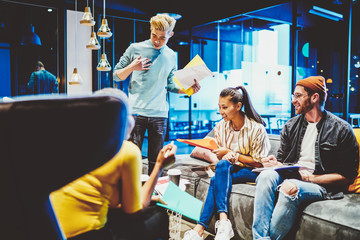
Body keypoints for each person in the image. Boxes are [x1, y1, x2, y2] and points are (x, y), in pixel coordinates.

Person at [50, 88, 176, 240]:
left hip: (50, 229)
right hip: (87, 234)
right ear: (125, 120)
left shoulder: (70, 144)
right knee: (158, 215)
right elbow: (134, 212)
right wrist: (159, 165)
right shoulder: (125, 150)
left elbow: (96, 192)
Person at [252, 76, 359, 240]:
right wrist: (276, 164)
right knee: (266, 175)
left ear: (314, 97)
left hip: (320, 185)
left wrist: (310, 179)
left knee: (290, 187)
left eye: (298, 96)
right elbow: (284, 162)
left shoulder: (341, 129)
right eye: (293, 96)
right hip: (292, 175)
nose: (293, 100)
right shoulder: (290, 126)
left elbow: (346, 177)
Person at [113, 14, 201, 175]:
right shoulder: (135, 48)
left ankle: (152, 195)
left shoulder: (172, 55)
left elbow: (169, 84)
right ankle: (131, 195)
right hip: (136, 112)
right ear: (150, 29)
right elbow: (116, 75)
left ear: (170, 35)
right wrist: (132, 67)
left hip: (160, 114)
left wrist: (188, 90)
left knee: (156, 161)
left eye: (162, 38)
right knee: (132, 158)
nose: (157, 41)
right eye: (154, 35)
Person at [183, 86, 271, 240]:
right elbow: (222, 159)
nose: (221, 111)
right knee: (221, 169)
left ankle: (200, 228)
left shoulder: (256, 129)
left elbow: (258, 163)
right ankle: (222, 222)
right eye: (219, 107)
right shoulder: (220, 127)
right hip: (229, 169)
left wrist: (234, 156)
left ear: (238, 106)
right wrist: (223, 156)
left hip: (253, 171)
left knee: (218, 176)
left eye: (225, 107)